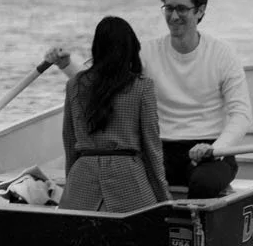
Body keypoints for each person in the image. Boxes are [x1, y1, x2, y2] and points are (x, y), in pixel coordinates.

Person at [139, 0, 251, 200]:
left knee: (204, 183)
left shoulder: (222, 54)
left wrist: (217, 148)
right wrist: (67, 64)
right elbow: (104, 82)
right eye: (168, 8)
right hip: (159, 148)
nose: (173, 16)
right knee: (122, 176)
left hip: (210, 150)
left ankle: (191, 222)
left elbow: (241, 114)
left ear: (200, 11)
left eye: (181, 9)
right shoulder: (146, 52)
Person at [48, 16, 170, 213]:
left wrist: (72, 184)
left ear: (96, 48)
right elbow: (151, 148)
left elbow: (70, 141)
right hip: (129, 183)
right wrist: (164, 198)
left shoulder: (74, 85)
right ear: (131, 49)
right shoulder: (142, 87)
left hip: (82, 180)